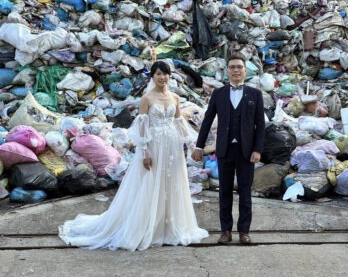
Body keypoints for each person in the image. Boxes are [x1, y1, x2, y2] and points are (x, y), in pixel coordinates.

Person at [59, 61, 208, 251]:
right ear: (153, 77)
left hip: (172, 146)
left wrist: (191, 143)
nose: (163, 78)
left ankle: (169, 225)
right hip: (153, 145)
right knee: (150, 183)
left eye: (166, 74)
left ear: (170, 76)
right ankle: (149, 226)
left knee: (171, 183)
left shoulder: (175, 98)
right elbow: (142, 127)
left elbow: (179, 122)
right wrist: (144, 152)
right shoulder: (147, 98)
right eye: (159, 74)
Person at [192, 54, 265, 244]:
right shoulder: (219, 93)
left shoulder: (255, 94)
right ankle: (225, 231)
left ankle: (244, 232)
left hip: (246, 151)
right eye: (232, 67)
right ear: (227, 71)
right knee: (224, 192)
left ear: (245, 70)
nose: (236, 70)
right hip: (224, 150)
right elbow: (207, 120)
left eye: (239, 67)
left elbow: (260, 125)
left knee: (245, 192)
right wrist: (199, 146)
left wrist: (257, 149)